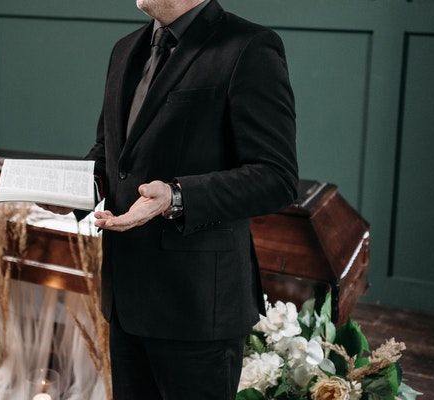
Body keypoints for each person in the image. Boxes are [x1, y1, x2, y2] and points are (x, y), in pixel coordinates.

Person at [45, 0, 297, 398]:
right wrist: (69, 191)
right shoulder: (125, 48)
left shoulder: (250, 47)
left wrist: (176, 196)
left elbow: (276, 176)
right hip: (126, 299)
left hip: (197, 308)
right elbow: (110, 154)